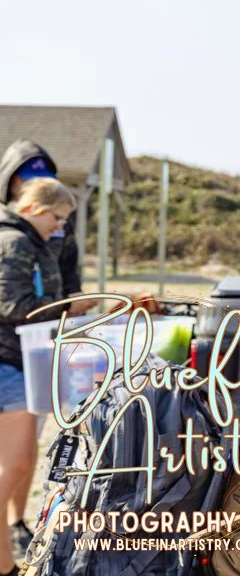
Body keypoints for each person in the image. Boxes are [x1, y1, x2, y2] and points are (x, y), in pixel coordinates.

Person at [0, 177, 92, 576]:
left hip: (17, 360)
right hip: (8, 362)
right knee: (17, 465)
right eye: (56, 218)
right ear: (35, 209)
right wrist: (69, 306)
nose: (60, 228)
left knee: (18, 463)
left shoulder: (29, 242)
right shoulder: (15, 243)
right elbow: (13, 305)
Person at [0, 141, 82, 299]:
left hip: (50, 309)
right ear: (12, 181)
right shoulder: (8, 231)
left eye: (45, 181)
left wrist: (73, 301)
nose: (38, 186)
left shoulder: (60, 222)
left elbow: (69, 268)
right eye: (30, 180)